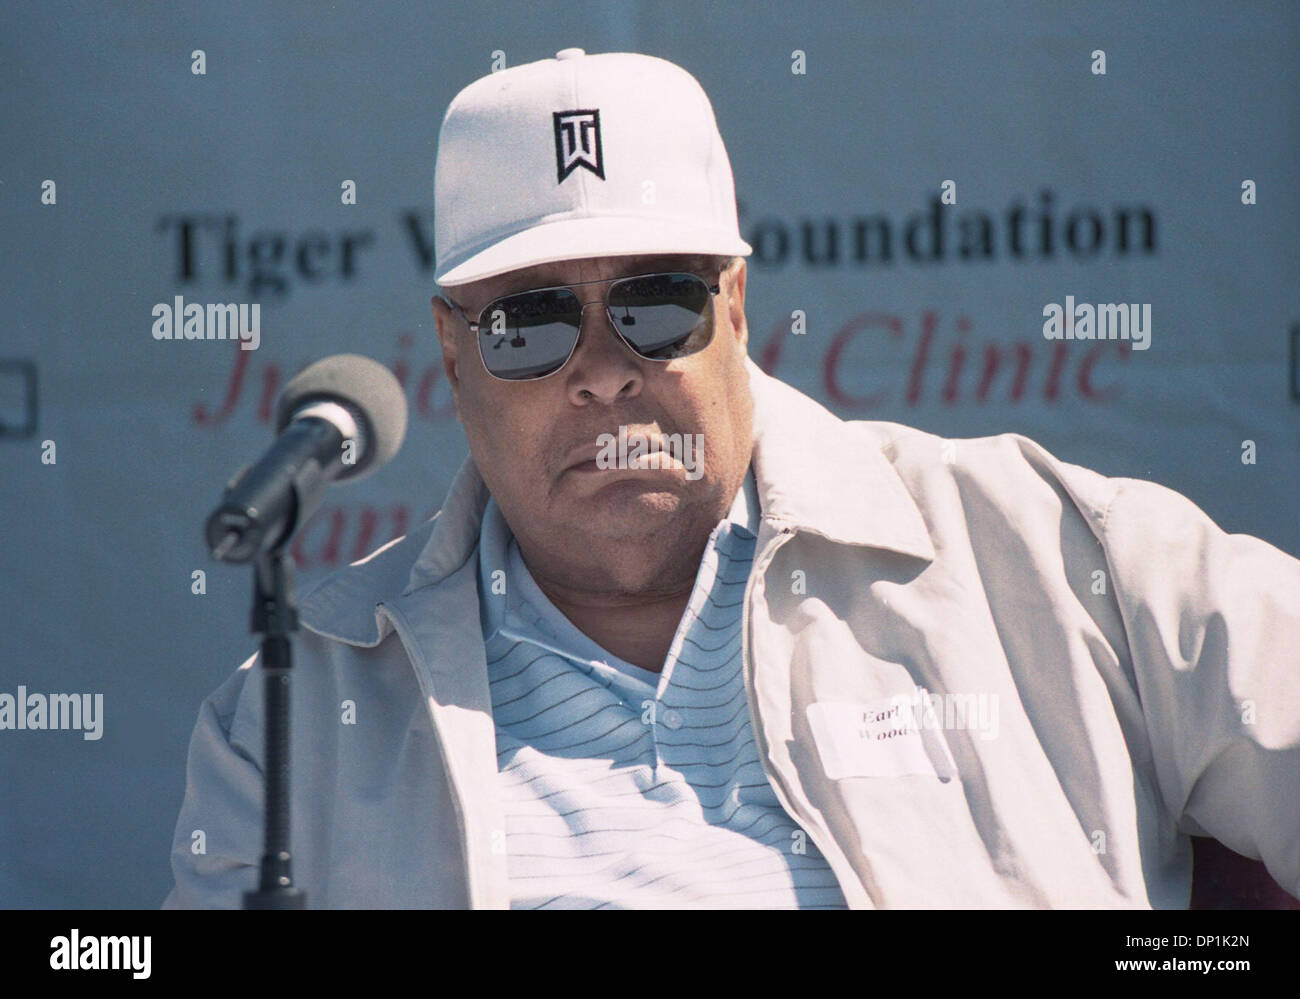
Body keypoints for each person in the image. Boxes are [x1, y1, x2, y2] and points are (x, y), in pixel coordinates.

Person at [164, 48, 1300, 909]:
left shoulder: (1054, 553)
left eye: (657, 303)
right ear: (454, 358)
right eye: (530, 325)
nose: (603, 373)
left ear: (738, 311)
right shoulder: (295, 720)